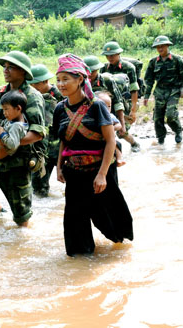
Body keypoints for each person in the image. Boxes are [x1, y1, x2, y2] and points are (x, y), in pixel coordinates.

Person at [54, 53, 133, 256]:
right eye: (58, 80)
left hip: (100, 171)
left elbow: (110, 141)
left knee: (109, 217)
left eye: (65, 79)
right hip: (73, 171)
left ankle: (120, 251)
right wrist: (59, 166)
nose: (61, 84)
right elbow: (64, 140)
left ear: (80, 79)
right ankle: (81, 261)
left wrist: (102, 174)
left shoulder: (97, 106)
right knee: (75, 220)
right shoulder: (59, 109)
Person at [0, 50, 46, 225]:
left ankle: (22, 240)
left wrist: (8, 141)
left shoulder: (33, 97)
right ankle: (1, 214)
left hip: (18, 161)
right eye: (5, 67)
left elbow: (37, 133)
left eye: (11, 67)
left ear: (23, 72)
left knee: (22, 214)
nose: (5, 70)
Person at [142, 35, 183, 144]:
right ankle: (161, 138)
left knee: (170, 115)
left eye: (163, 46)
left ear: (167, 46)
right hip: (160, 92)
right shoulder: (153, 62)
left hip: (173, 91)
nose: (160, 49)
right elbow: (149, 80)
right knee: (157, 117)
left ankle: (178, 130)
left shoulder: (177, 60)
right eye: (158, 47)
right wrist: (146, 96)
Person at [28, 64, 63, 197]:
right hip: (41, 149)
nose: (33, 87)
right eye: (31, 84)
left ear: (45, 81)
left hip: (60, 147)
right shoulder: (31, 96)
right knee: (38, 187)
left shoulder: (60, 94)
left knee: (73, 184)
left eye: (36, 84)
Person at [99, 41, 141, 152]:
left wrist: (133, 110)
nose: (110, 58)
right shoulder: (103, 68)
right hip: (109, 102)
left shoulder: (129, 68)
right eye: (107, 56)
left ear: (118, 54)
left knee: (122, 131)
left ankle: (134, 143)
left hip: (125, 102)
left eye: (112, 55)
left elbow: (134, 89)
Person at [0, 90, 29, 160]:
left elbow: (13, 145)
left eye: (6, 109)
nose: (4, 113)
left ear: (18, 108)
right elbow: (1, 123)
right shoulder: (15, 119)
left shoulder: (16, 126)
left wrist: (1, 132)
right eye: (3, 110)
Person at [95, 91, 125, 167]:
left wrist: (113, 128)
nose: (107, 109)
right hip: (99, 140)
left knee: (116, 145)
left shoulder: (110, 116)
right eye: (104, 106)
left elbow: (119, 125)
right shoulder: (94, 116)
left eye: (109, 106)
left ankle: (119, 159)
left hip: (110, 139)